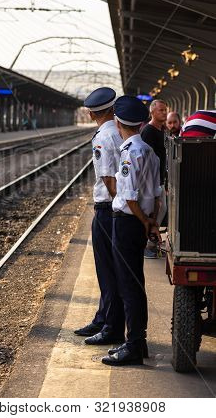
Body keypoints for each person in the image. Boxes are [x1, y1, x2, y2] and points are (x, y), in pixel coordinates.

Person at [101, 95, 161, 367]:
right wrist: (151, 221)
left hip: (126, 224)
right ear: (140, 123)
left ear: (117, 121)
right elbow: (157, 193)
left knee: (128, 285)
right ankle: (138, 341)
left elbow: (129, 198)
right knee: (136, 282)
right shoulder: (149, 150)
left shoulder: (129, 153)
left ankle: (134, 345)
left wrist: (141, 219)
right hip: (141, 222)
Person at [74, 87, 125, 345]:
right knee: (109, 269)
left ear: (91, 113)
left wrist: (119, 206)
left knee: (107, 270)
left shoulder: (103, 137)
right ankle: (103, 317)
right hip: (112, 208)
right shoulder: (116, 131)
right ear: (112, 109)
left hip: (108, 209)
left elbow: (107, 178)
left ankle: (111, 328)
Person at [141, 99, 167, 258]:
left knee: (161, 209)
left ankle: (152, 241)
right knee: (153, 211)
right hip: (151, 180)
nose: (164, 112)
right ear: (152, 112)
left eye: (165, 110)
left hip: (160, 179)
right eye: (161, 110)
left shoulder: (162, 130)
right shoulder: (148, 131)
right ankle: (148, 244)